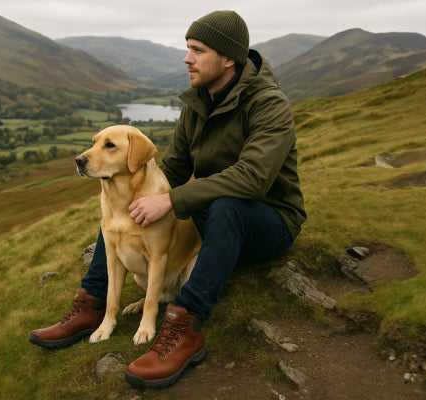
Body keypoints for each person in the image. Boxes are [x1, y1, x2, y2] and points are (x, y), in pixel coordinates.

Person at [27, 10, 305, 390]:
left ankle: (184, 329)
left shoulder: (269, 105)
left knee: (228, 206)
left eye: (197, 50)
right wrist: (132, 194)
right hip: (211, 214)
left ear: (228, 58)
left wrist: (170, 202)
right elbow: (172, 168)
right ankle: (92, 304)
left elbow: (253, 177)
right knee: (125, 204)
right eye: (187, 49)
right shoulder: (198, 104)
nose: (186, 59)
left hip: (267, 220)